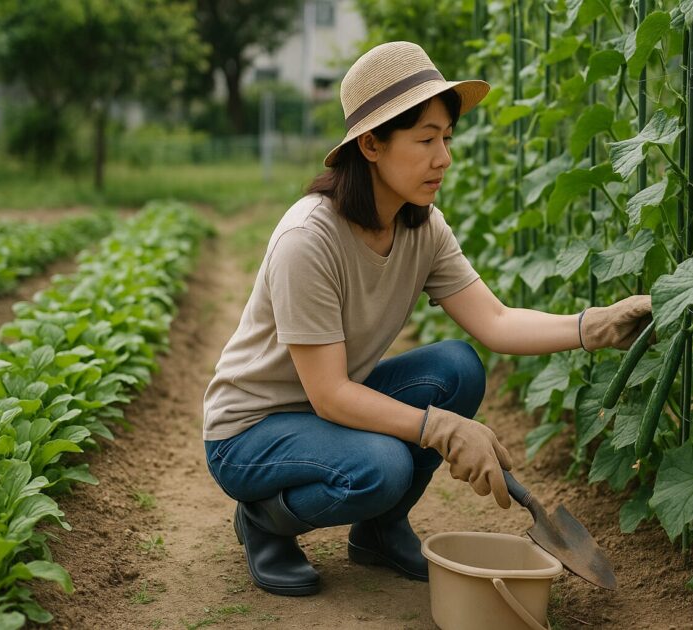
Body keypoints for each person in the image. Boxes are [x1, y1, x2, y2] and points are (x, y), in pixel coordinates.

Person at [202, 41, 652, 598]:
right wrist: (439, 427)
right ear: (370, 144)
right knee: (382, 467)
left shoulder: (423, 228)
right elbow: (329, 396)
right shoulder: (308, 240)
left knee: (458, 366)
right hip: (251, 433)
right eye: (424, 140)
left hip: (328, 410)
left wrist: (595, 327)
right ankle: (265, 522)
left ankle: (379, 530)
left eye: (446, 138)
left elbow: (496, 321)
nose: (444, 157)